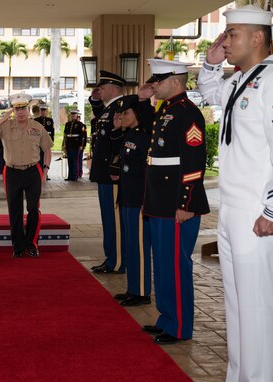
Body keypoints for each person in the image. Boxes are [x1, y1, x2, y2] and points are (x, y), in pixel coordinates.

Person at [198, 5, 273, 380]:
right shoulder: (243, 79)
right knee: (236, 303)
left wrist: (271, 212)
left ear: (257, 38)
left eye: (233, 34)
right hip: (230, 208)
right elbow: (211, 95)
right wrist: (210, 65)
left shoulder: (272, 80)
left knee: (256, 305)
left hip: (255, 210)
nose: (225, 41)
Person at [139, 59, 210, 345]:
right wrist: (143, 99)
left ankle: (180, 326)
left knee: (177, 266)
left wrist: (186, 202)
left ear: (176, 81)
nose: (154, 84)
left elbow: (194, 162)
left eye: (158, 80)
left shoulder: (188, 113)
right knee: (163, 264)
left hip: (177, 203)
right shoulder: (165, 110)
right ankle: (167, 317)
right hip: (160, 202)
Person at [0, 93, 53, 258]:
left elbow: (47, 149)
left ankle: (32, 244)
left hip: (33, 170)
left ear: (28, 109)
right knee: (15, 210)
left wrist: (46, 170)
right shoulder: (6, 126)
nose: (20, 112)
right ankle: (18, 246)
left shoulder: (37, 127)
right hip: (11, 171)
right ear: (13, 110)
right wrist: (4, 118)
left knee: (34, 209)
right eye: (17, 109)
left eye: (23, 109)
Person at [111, 95, 153, 307]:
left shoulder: (145, 138)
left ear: (137, 114)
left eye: (126, 113)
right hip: (127, 197)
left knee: (140, 247)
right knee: (130, 245)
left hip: (138, 199)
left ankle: (142, 292)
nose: (122, 116)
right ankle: (133, 288)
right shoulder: (130, 135)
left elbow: (147, 172)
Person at [89, 71, 127, 274]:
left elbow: (119, 142)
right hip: (103, 173)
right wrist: (95, 100)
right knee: (108, 218)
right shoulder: (110, 108)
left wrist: (115, 167)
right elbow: (100, 118)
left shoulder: (121, 108)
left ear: (112, 88)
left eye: (102, 88)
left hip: (111, 174)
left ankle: (118, 260)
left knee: (114, 219)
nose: (99, 90)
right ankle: (111, 257)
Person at [63, 109, 86, 181]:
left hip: (76, 145)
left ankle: (75, 176)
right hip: (69, 144)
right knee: (70, 160)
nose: (73, 116)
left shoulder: (80, 124)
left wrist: (81, 145)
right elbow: (65, 135)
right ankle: (70, 176)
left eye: (74, 115)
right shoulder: (67, 124)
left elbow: (82, 136)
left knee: (75, 160)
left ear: (77, 116)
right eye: (72, 115)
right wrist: (64, 145)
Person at [34, 104, 55, 180]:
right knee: (39, 158)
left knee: (46, 157)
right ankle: (39, 173)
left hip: (47, 141)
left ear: (46, 111)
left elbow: (52, 132)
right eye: (41, 111)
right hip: (39, 141)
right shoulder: (36, 120)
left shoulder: (50, 120)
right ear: (40, 111)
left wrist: (52, 141)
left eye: (44, 111)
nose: (43, 112)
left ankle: (45, 174)